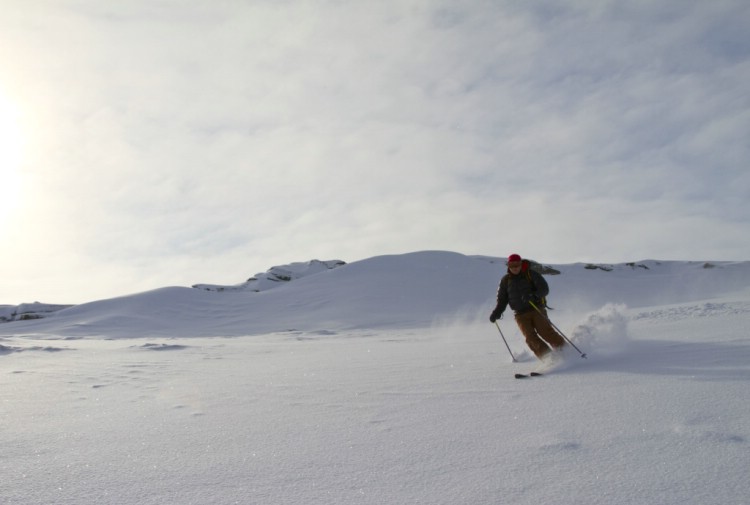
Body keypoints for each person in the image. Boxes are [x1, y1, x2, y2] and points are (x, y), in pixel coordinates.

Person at [489, 253, 567, 360]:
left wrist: (533, 295)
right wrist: (497, 312)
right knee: (530, 338)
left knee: (545, 332)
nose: (515, 268)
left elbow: (544, 289)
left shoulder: (531, 274)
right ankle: (549, 359)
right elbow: (502, 300)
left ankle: (566, 351)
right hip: (520, 314)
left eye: (517, 265)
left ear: (521, 264)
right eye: (512, 265)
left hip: (536, 309)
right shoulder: (505, 280)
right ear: (508, 266)